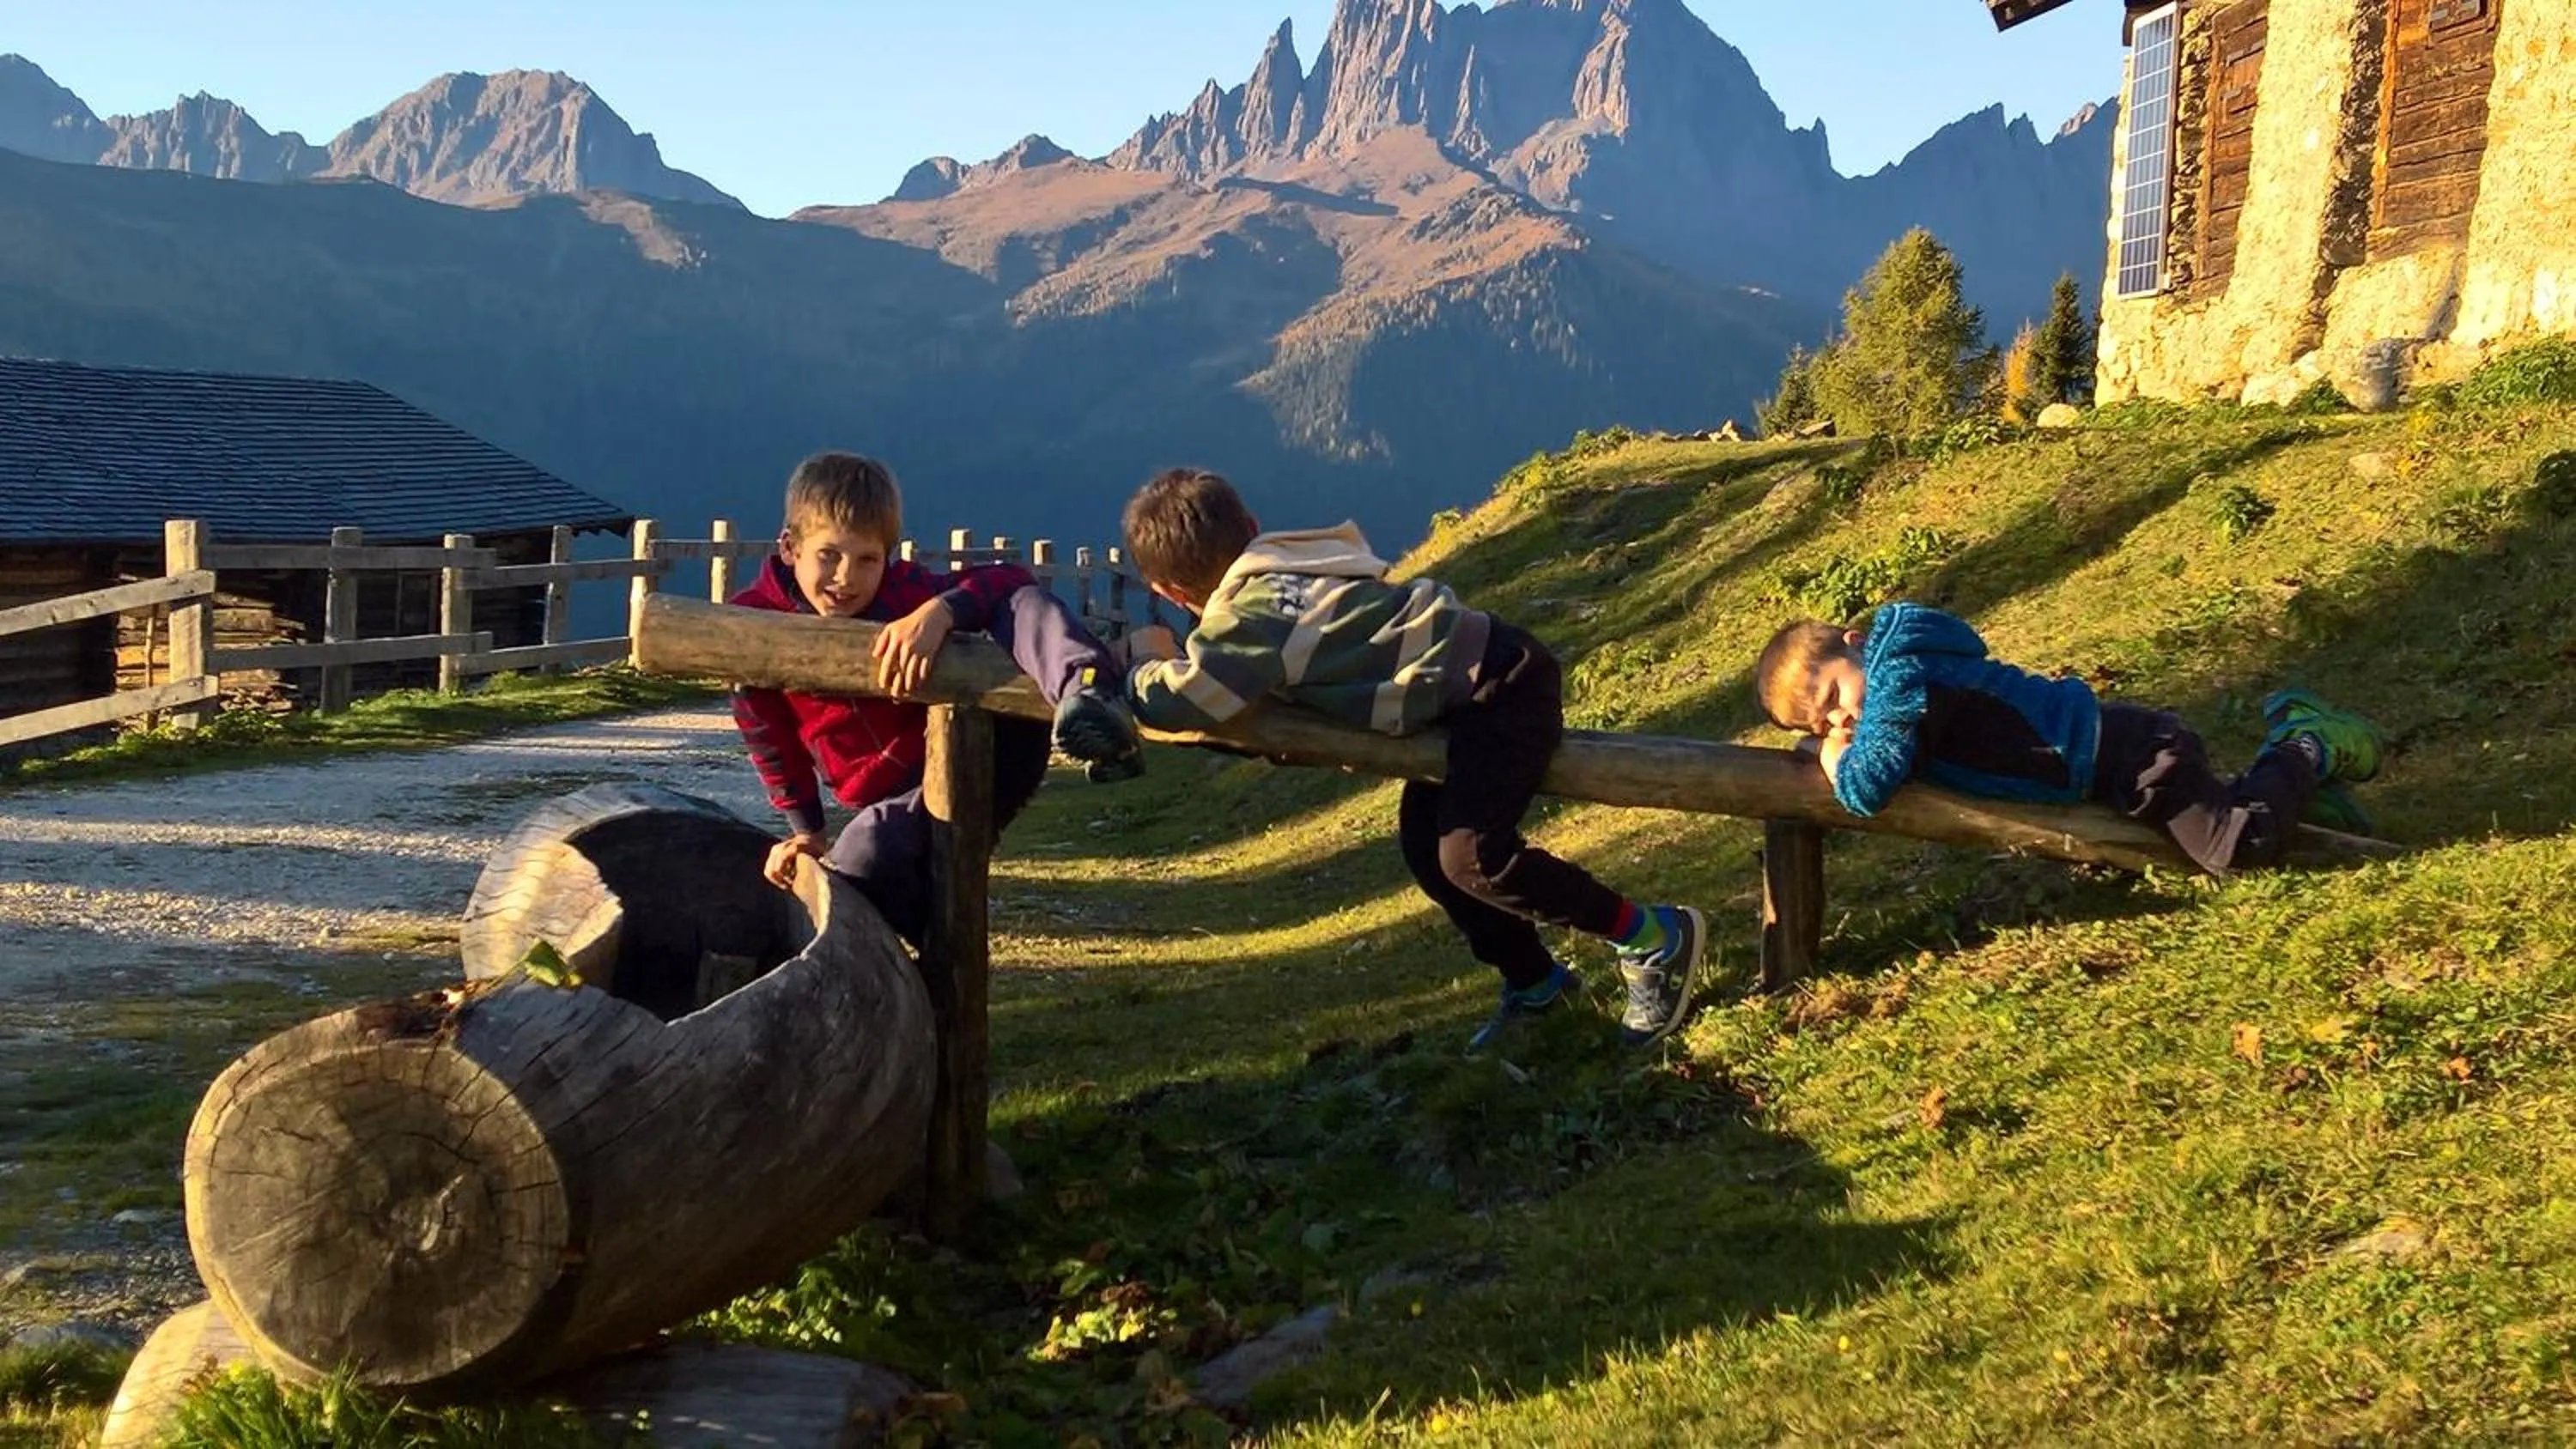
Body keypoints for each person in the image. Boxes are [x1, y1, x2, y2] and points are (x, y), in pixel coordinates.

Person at [1115, 467, 1707, 1050]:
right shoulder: (1291, 562)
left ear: (1169, 592)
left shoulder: (1250, 617)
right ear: (1251, 523)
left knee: (1473, 857)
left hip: (1496, 690)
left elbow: (1190, 699)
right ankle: (1536, 984)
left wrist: (1138, 672)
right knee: (1429, 851)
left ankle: (1652, 935)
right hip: (1479, 678)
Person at [730, 451, 1142, 942]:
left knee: (1018, 601)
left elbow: (1010, 580)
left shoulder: (905, 594)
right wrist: (807, 831)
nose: (846, 578)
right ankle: (928, 948)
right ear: (789, 547)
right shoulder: (754, 624)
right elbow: (768, 736)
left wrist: (942, 611)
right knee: (866, 853)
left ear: (890, 556)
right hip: (889, 791)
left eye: (868, 560)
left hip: (983, 751)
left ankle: (1087, 693)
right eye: (829, 555)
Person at [1753, 601, 2385, 873]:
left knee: (2233, 847)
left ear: (1856, 645)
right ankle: (2308, 794)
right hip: (2111, 765)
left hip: (2136, 757)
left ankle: (2306, 743)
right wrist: (1832, 737)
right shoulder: (1897, 676)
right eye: (1823, 723)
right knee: (2227, 832)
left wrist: (1832, 757)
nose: (1842, 722)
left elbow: (1867, 788)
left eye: (1835, 697)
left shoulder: (1903, 676)